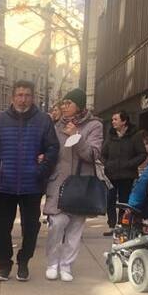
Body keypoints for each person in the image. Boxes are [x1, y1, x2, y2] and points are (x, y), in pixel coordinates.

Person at [0, 80, 59, 281]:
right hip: (4, 185)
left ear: (33, 97)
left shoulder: (43, 121)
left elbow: (53, 148)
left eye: (27, 95)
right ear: (12, 97)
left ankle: (24, 261)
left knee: (31, 228)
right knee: (2, 228)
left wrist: (41, 170)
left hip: (32, 185)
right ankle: (4, 264)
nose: (23, 99)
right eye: (19, 95)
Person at [43, 88, 104, 281]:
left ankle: (66, 265)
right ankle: (52, 262)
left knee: (75, 228)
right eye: (63, 103)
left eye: (69, 103)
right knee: (57, 223)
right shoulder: (56, 126)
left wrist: (77, 136)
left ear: (79, 105)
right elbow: (50, 150)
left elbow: (93, 154)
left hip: (81, 183)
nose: (64, 106)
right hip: (58, 182)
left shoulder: (94, 125)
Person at [101, 111, 146, 236]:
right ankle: (112, 225)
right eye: (112, 119)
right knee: (110, 200)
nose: (113, 122)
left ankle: (122, 225)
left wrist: (130, 164)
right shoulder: (110, 136)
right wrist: (107, 164)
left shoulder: (135, 136)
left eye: (115, 119)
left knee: (124, 201)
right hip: (111, 174)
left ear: (124, 121)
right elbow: (102, 154)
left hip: (127, 175)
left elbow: (142, 154)